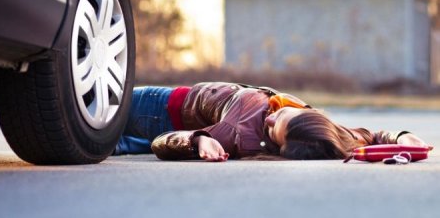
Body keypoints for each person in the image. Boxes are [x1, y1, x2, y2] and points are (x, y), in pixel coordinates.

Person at [114, 82, 432, 162]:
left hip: (156, 109)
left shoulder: (234, 133)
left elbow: (162, 142)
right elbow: (367, 136)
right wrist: (400, 135)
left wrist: (196, 140)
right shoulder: (323, 131)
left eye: (273, 129)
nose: (272, 117)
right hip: (170, 104)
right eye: (283, 116)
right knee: (94, 142)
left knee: (74, 115)